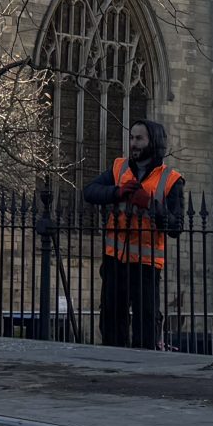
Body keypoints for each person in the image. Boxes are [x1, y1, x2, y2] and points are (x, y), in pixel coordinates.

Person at [82, 120, 184, 350]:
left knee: (145, 325)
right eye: (132, 138)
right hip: (115, 259)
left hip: (146, 265)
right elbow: (89, 191)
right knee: (111, 322)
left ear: (153, 142)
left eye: (139, 139)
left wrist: (149, 204)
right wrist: (116, 192)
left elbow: (176, 226)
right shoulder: (120, 168)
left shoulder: (171, 179)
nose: (133, 144)